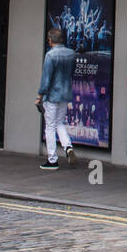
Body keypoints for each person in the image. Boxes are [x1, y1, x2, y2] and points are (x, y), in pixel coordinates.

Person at [35, 27, 76, 170]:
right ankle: (68, 146)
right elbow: (72, 73)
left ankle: (52, 160)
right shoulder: (71, 54)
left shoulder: (50, 55)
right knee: (59, 122)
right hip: (65, 94)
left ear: (50, 40)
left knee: (50, 126)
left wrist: (39, 96)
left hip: (52, 95)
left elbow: (46, 79)